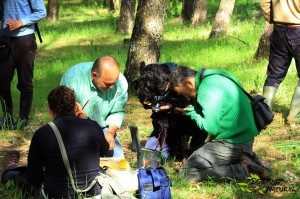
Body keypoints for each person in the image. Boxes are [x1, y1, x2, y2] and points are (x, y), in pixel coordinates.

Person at [1, 86, 110, 198]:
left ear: (50, 110)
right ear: (75, 106)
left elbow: (34, 178)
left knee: (18, 176)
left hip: (55, 194)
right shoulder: (93, 126)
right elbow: (105, 151)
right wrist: (86, 120)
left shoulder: (42, 133)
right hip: (94, 193)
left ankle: (8, 171)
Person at [170, 66, 270, 182]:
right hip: (245, 138)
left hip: (232, 143)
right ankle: (244, 158)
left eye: (183, 93)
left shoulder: (206, 89)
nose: (185, 97)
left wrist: (191, 112)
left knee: (187, 172)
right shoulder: (217, 74)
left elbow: (211, 128)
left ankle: (243, 170)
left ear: (189, 83)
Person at [134, 62, 208, 161]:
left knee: (199, 126)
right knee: (154, 157)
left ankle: (193, 150)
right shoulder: (146, 81)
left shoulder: (178, 75)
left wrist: (172, 105)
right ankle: (173, 146)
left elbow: (191, 100)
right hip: (163, 122)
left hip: (185, 116)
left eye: (166, 88)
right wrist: (151, 104)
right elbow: (146, 100)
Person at [60, 56, 128, 157]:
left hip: (104, 129)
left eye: (114, 83)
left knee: (118, 161)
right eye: (107, 84)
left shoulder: (121, 82)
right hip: (76, 127)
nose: (112, 87)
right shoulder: (72, 79)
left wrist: (110, 133)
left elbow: (117, 111)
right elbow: (62, 111)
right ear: (94, 75)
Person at [0, 0, 47, 130]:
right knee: (2, 81)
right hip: (4, 38)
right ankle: (7, 116)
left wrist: (21, 22)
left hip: (25, 39)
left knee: (25, 82)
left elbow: (41, 12)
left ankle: (23, 118)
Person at [261, 0, 300, 125]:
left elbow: (265, 4)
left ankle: (264, 116)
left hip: (279, 29)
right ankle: (294, 117)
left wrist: (273, 19)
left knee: (273, 75)